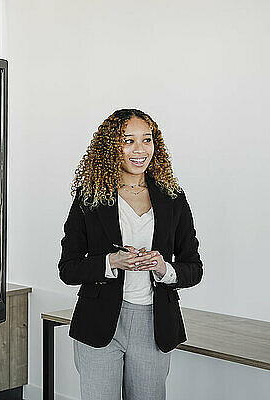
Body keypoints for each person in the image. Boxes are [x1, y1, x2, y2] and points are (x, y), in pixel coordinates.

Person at [58, 109, 203, 400]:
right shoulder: (91, 195)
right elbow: (68, 268)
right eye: (128, 140)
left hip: (154, 324)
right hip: (98, 323)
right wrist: (111, 262)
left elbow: (194, 268)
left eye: (146, 140)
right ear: (112, 146)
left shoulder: (173, 197)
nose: (140, 150)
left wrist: (164, 268)